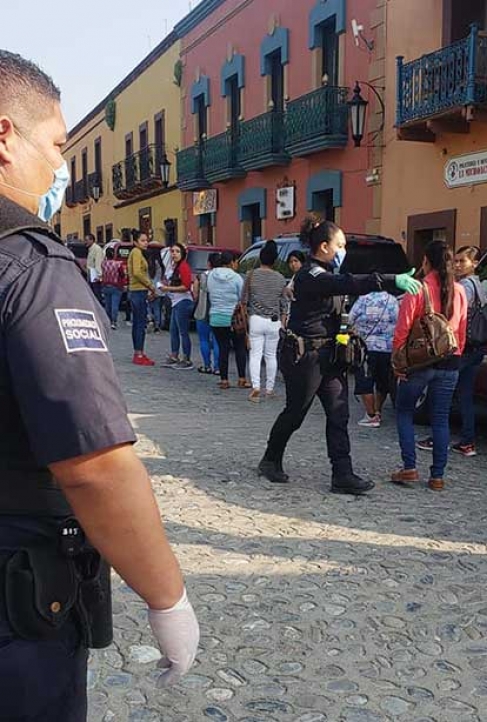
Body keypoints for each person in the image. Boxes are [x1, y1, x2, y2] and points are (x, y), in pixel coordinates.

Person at [0, 50, 199, 721]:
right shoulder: (30, 267)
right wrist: (167, 598)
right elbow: (95, 465)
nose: (60, 168)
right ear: (4, 136)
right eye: (56, 146)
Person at [258, 215, 421, 495]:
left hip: (330, 355)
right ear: (323, 247)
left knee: (338, 414)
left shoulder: (322, 274)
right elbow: (349, 283)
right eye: (340, 244)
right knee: (295, 413)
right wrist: (391, 279)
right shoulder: (311, 275)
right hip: (306, 357)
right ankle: (270, 460)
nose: (344, 250)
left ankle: (342, 474)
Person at [391, 240, 468, 492]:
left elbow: (402, 329)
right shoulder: (459, 290)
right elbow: (463, 330)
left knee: (404, 411)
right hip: (451, 359)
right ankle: (437, 476)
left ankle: (410, 467)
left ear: (426, 261)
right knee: (440, 417)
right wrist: (456, 354)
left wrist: (398, 360)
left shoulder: (418, 288)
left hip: (419, 362)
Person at [417, 245, 487, 457]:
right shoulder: (479, 285)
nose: (457, 265)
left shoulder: (464, 286)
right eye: (455, 261)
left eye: (462, 261)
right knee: (465, 395)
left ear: (474, 264)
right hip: (477, 346)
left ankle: (437, 437)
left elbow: (454, 317)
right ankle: (468, 441)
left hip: (461, 347)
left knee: (441, 392)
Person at [348, 288, 399, 428]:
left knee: (365, 380)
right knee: (382, 381)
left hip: (366, 346)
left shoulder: (364, 299)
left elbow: (351, 318)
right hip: (387, 348)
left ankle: (371, 415)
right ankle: (377, 411)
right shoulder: (393, 300)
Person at [244, 240, 288, 402]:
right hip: (274, 321)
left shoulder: (251, 275)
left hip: (255, 319)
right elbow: (284, 303)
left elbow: (244, 299)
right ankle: (269, 389)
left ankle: (256, 387)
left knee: (255, 355)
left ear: (260, 258)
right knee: (271, 356)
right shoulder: (280, 278)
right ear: (275, 260)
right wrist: (283, 320)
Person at [207, 250, 249, 389]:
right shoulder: (236, 278)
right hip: (233, 318)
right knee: (239, 348)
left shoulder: (211, 275)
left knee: (223, 348)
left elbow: (208, 291)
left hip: (216, 317)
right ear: (231, 262)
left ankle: (224, 379)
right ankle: (242, 378)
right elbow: (242, 297)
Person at [161, 243, 195, 370]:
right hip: (175, 301)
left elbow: (186, 286)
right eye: (172, 251)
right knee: (173, 330)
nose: (174, 254)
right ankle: (174, 355)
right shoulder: (174, 267)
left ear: (182, 254)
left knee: (182, 331)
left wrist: (168, 288)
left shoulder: (184, 267)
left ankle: (186, 358)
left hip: (183, 301)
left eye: (177, 251)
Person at [127, 229, 155, 366]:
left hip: (136, 291)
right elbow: (137, 272)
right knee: (140, 323)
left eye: (146, 240)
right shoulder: (137, 253)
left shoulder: (136, 253)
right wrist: (150, 286)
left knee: (138, 323)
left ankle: (138, 352)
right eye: (142, 240)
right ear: (135, 242)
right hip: (138, 291)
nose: (146, 243)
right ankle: (139, 353)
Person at [193, 251, 221, 375]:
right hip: (218, 311)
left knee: (204, 340)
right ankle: (217, 367)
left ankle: (206, 365)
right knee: (217, 341)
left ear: (209, 263)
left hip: (203, 311)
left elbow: (195, 294)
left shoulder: (201, 276)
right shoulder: (223, 277)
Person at [101, 246, 127, 329]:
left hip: (106, 285)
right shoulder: (118, 264)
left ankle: (107, 320)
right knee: (115, 305)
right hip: (116, 286)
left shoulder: (103, 263)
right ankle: (114, 322)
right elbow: (122, 275)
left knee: (107, 305)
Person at [147, 248, 165, 333]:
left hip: (151, 288)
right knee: (157, 308)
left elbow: (148, 278)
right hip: (159, 289)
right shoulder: (161, 265)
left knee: (149, 307)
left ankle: (150, 320)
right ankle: (157, 325)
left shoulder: (150, 265)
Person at [85, 232, 104, 303]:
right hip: (91, 276)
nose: (85, 242)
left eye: (87, 240)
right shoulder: (90, 249)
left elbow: (98, 263)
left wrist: (99, 276)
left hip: (95, 277)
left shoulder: (97, 249)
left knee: (97, 296)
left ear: (92, 240)